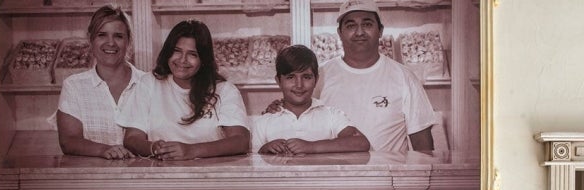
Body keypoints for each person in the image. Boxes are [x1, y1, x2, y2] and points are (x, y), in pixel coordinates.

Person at [118, 20, 250, 161]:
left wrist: (191, 150)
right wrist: (154, 148)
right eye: (177, 51)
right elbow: (132, 138)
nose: (182, 60)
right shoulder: (149, 82)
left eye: (192, 54)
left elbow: (240, 141)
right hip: (160, 176)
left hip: (211, 176)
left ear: (203, 59)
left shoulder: (224, 90)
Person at [317, 0, 438, 152]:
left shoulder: (404, 77)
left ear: (380, 30)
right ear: (339, 33)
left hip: (389, 175)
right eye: (350, 25)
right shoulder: (319, 76)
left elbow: (423, 147)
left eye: (367, 24)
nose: (359, 32)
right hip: (333, 174)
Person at [56, 5, 144, 159]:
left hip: (141, 179)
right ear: (91, 40)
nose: (110, 43)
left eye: (118, 36)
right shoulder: (74, 86)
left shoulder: (147, 83)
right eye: (102, 35)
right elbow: (68, 141)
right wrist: (103, 150)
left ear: (128, 41)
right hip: (93, 180)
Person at [252, 44, 370, 155]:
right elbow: (250, 162)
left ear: (316, 80)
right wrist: (264, 150)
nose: (299, 85)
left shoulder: (331, 115)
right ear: (278, 81)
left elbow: (361, 142)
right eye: (290, 77)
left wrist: (311, 147)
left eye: (306, 77)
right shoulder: (264, 122)